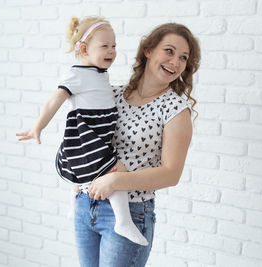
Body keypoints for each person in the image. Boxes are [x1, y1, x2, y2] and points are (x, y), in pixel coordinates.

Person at [73, 22, 201, 267]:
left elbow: (170, 174)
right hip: (85, 204)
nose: (175, 62)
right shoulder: (112, 93)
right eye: (170, 51)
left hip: (129, 213)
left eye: (183, 57)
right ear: (148, 50)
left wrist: (115, 181)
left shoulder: (176, 110)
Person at [16, 16, 148, 246]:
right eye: (105, 46)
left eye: (114, 46)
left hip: (99, 133)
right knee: (116, 169)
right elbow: (53, 101)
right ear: (84, 49)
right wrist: (38, 127)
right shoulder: (75, 74)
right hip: (87, 134)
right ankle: (123, 220)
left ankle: (74, 204)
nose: (111, 51)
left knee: (84, 174)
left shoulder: (98, 72)